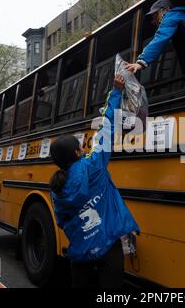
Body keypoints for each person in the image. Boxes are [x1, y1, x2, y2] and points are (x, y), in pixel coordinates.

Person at [50, 74, 139, 288]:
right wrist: (116, 91)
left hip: (80, 249)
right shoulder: (94, 165)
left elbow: (62, 221)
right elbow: (107, 127)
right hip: (108, 244)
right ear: (78, 151)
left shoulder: (56, 187)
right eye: (81, 145)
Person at [126, 0, 185, 75]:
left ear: (167, 9)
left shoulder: (170, 17)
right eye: (153, 17)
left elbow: (160, 38)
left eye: (156, 15)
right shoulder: (179, 17)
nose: (154, 21)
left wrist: (140, 62)